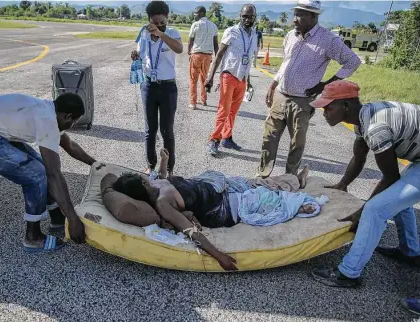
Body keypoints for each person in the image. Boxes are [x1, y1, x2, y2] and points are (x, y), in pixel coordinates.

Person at [107, 160, 321, 271]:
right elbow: (190, 231)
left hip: (218, 188)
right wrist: (219, 256)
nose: (147, 178)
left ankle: (297, 181)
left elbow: (161, 175)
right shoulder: (163, 204)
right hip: (225, 207)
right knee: (267, 197)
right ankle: (297, 197)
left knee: (261, 183)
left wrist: (164, 161)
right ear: (142, 185)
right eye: (143, 179)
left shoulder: (155, 182)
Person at [308, 80, 420, 288]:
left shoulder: (376, 127)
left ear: (346, 106)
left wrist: (361, 211)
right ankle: (410, 252)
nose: (324, 113)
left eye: (328, 108)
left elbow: (391, 176)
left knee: (375, 209)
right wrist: (342, 184)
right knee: (396, 200)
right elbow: (359, 157)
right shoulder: (363, 116)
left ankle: (348, 273)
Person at [0, 93, 97, 252]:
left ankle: (56, 218)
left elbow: (70, 145)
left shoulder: (50, 111)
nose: (72, 125)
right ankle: (32, 238)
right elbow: (54, 174)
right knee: (36, 174)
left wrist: (95, 164)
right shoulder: (47, 120)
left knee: (41, 165)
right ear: (68, 116)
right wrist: (73, 218)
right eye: (74, 122)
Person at [257, 0, 361, 177]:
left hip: (302, 101)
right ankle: (263, 174)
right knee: (269, 137)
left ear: (313, 16)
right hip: (281, 95)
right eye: (294, 14)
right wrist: (273, 84)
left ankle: (289, 179)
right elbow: (285, 62)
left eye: (300, 14)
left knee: (296, 142)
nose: (294, 19)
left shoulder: (328, 40)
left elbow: (353, 61)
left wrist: (325, 84)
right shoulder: (291, 35)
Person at [135, 0, 183, 176]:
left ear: (167, 19)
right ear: (149, 20)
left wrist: (161, 34)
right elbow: (141, 55)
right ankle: (151, 165)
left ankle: (169, 169)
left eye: (163, 22)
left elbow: (179, 49)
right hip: (148, 86)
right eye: (155, 23)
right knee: (150, 129)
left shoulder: (172, 33)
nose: (159, 26)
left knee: (167, 130)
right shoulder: (143, 34)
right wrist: (135, 56)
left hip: (168, 87)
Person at [204, 4, 257, 156]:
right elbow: (219, 55)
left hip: (242, 78)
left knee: (233, 111)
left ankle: (226, 137)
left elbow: (249, 57)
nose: (247, 19)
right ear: (240, 16)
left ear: (254, 17)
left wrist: (248, 79)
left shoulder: (254, 34)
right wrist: (210, 77)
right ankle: (214, 140)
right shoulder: (231, 31)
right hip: (228, 75)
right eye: (244, 16)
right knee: (224, 110)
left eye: (250, 16)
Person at [188, 6, 219, 110]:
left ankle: (193, 102)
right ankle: (203, 99)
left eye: (196, 13)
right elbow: (215, 43)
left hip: (197, 54)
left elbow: (190, 41)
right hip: (208, 56)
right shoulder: (213, 26)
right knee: (204, 78)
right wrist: (216, 57)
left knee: (193, 79)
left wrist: (189, 53)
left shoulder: (195, 25)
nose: (194, 15)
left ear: (201, 13)